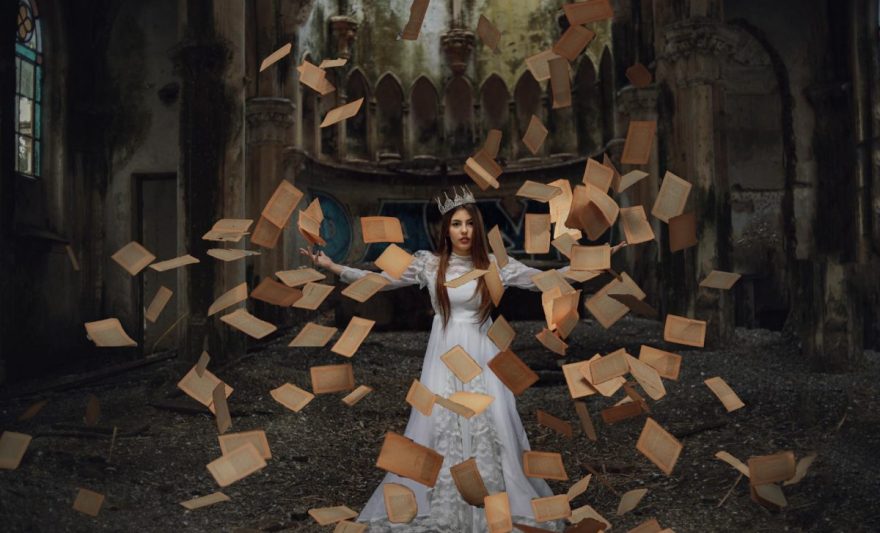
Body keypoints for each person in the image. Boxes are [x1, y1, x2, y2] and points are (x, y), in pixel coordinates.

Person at [300, 187, 627, 532]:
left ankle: (493, 506)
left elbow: (546, 279)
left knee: (493, 422)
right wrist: (332, 265)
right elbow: (379, 280)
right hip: (443, 354)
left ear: (478, 227)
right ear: (447, 229)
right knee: (438, 424)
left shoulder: (496, 265)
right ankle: (441, 504)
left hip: (483, 353)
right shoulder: (428, 263)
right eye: (456, 224)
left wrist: (598, 260)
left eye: (470, 223)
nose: (464, 230)